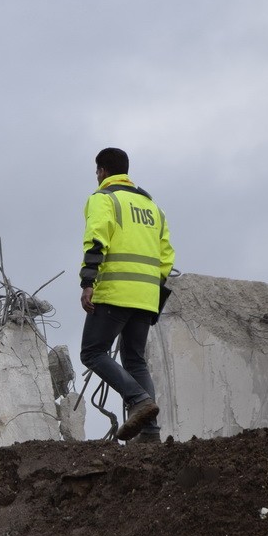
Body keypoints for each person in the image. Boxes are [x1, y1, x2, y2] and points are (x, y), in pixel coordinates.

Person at [78, 147, 175, 442]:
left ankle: (139, 400)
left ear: (102, 171)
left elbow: (97, 239)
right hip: (146, 297)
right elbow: (166, 257)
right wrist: (148, 291)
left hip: (114, 292)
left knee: (92, 352)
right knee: (135, 360)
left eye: (97, 172)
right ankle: (150, 433)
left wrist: (87, 281)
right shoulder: (152, 207)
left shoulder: (104, 199)